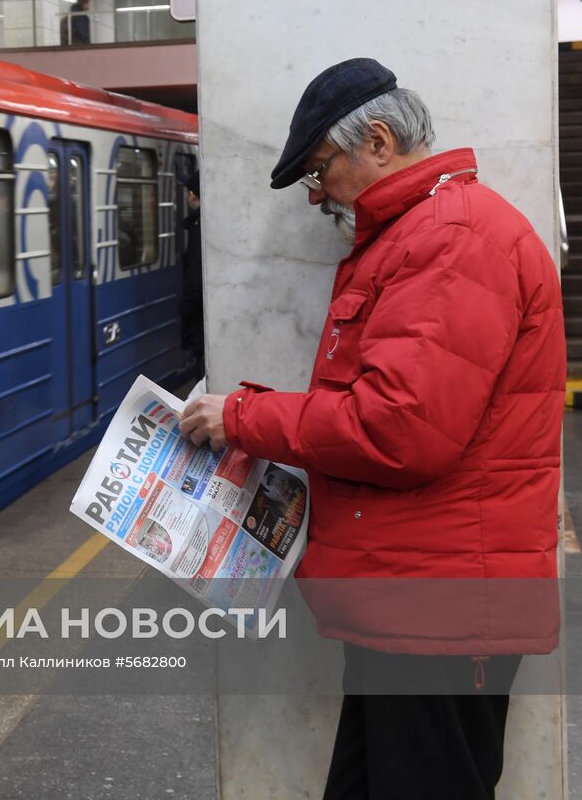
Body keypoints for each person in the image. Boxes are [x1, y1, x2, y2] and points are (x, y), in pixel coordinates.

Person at [177, 58, 564, 799]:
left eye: (320, 171)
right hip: (413, 602)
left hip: (440, 613)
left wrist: (243, 417)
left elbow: (399, 429)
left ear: (378, 141)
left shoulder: (453, 240)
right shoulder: (422, 235)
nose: (318, 194)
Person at [178, 169, 204, 380]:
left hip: (201, 325)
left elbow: (195, 283)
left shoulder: (199, 227)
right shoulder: (208, 223)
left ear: (193, 195)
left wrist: (184, 312)